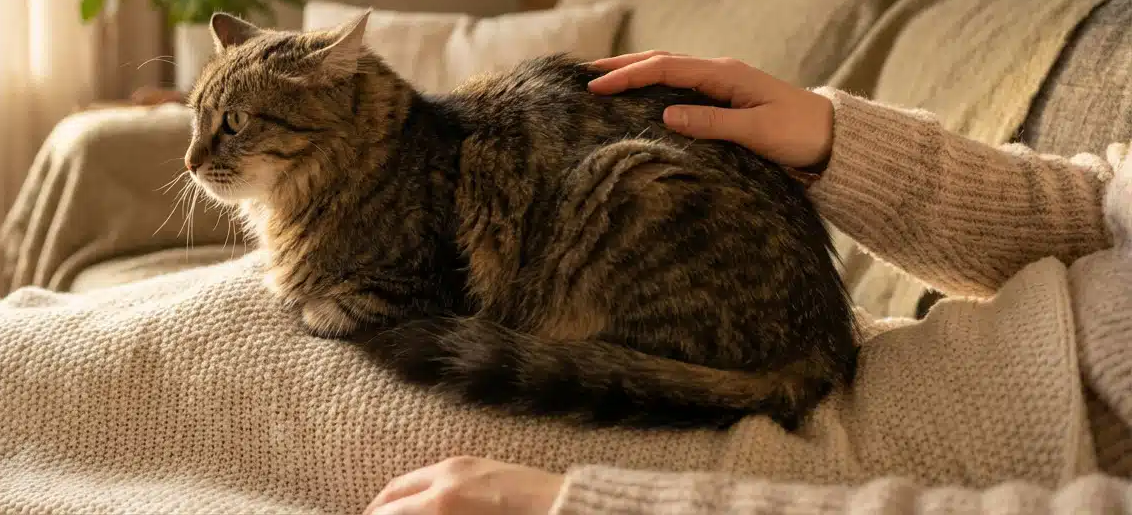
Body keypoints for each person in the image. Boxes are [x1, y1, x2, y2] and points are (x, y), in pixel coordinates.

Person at [363, 51, 1132, 515]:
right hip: (895, 357)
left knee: (348, 404)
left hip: (875, 462)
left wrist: (597, 506)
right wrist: (837, 140)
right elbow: (1097, 212)